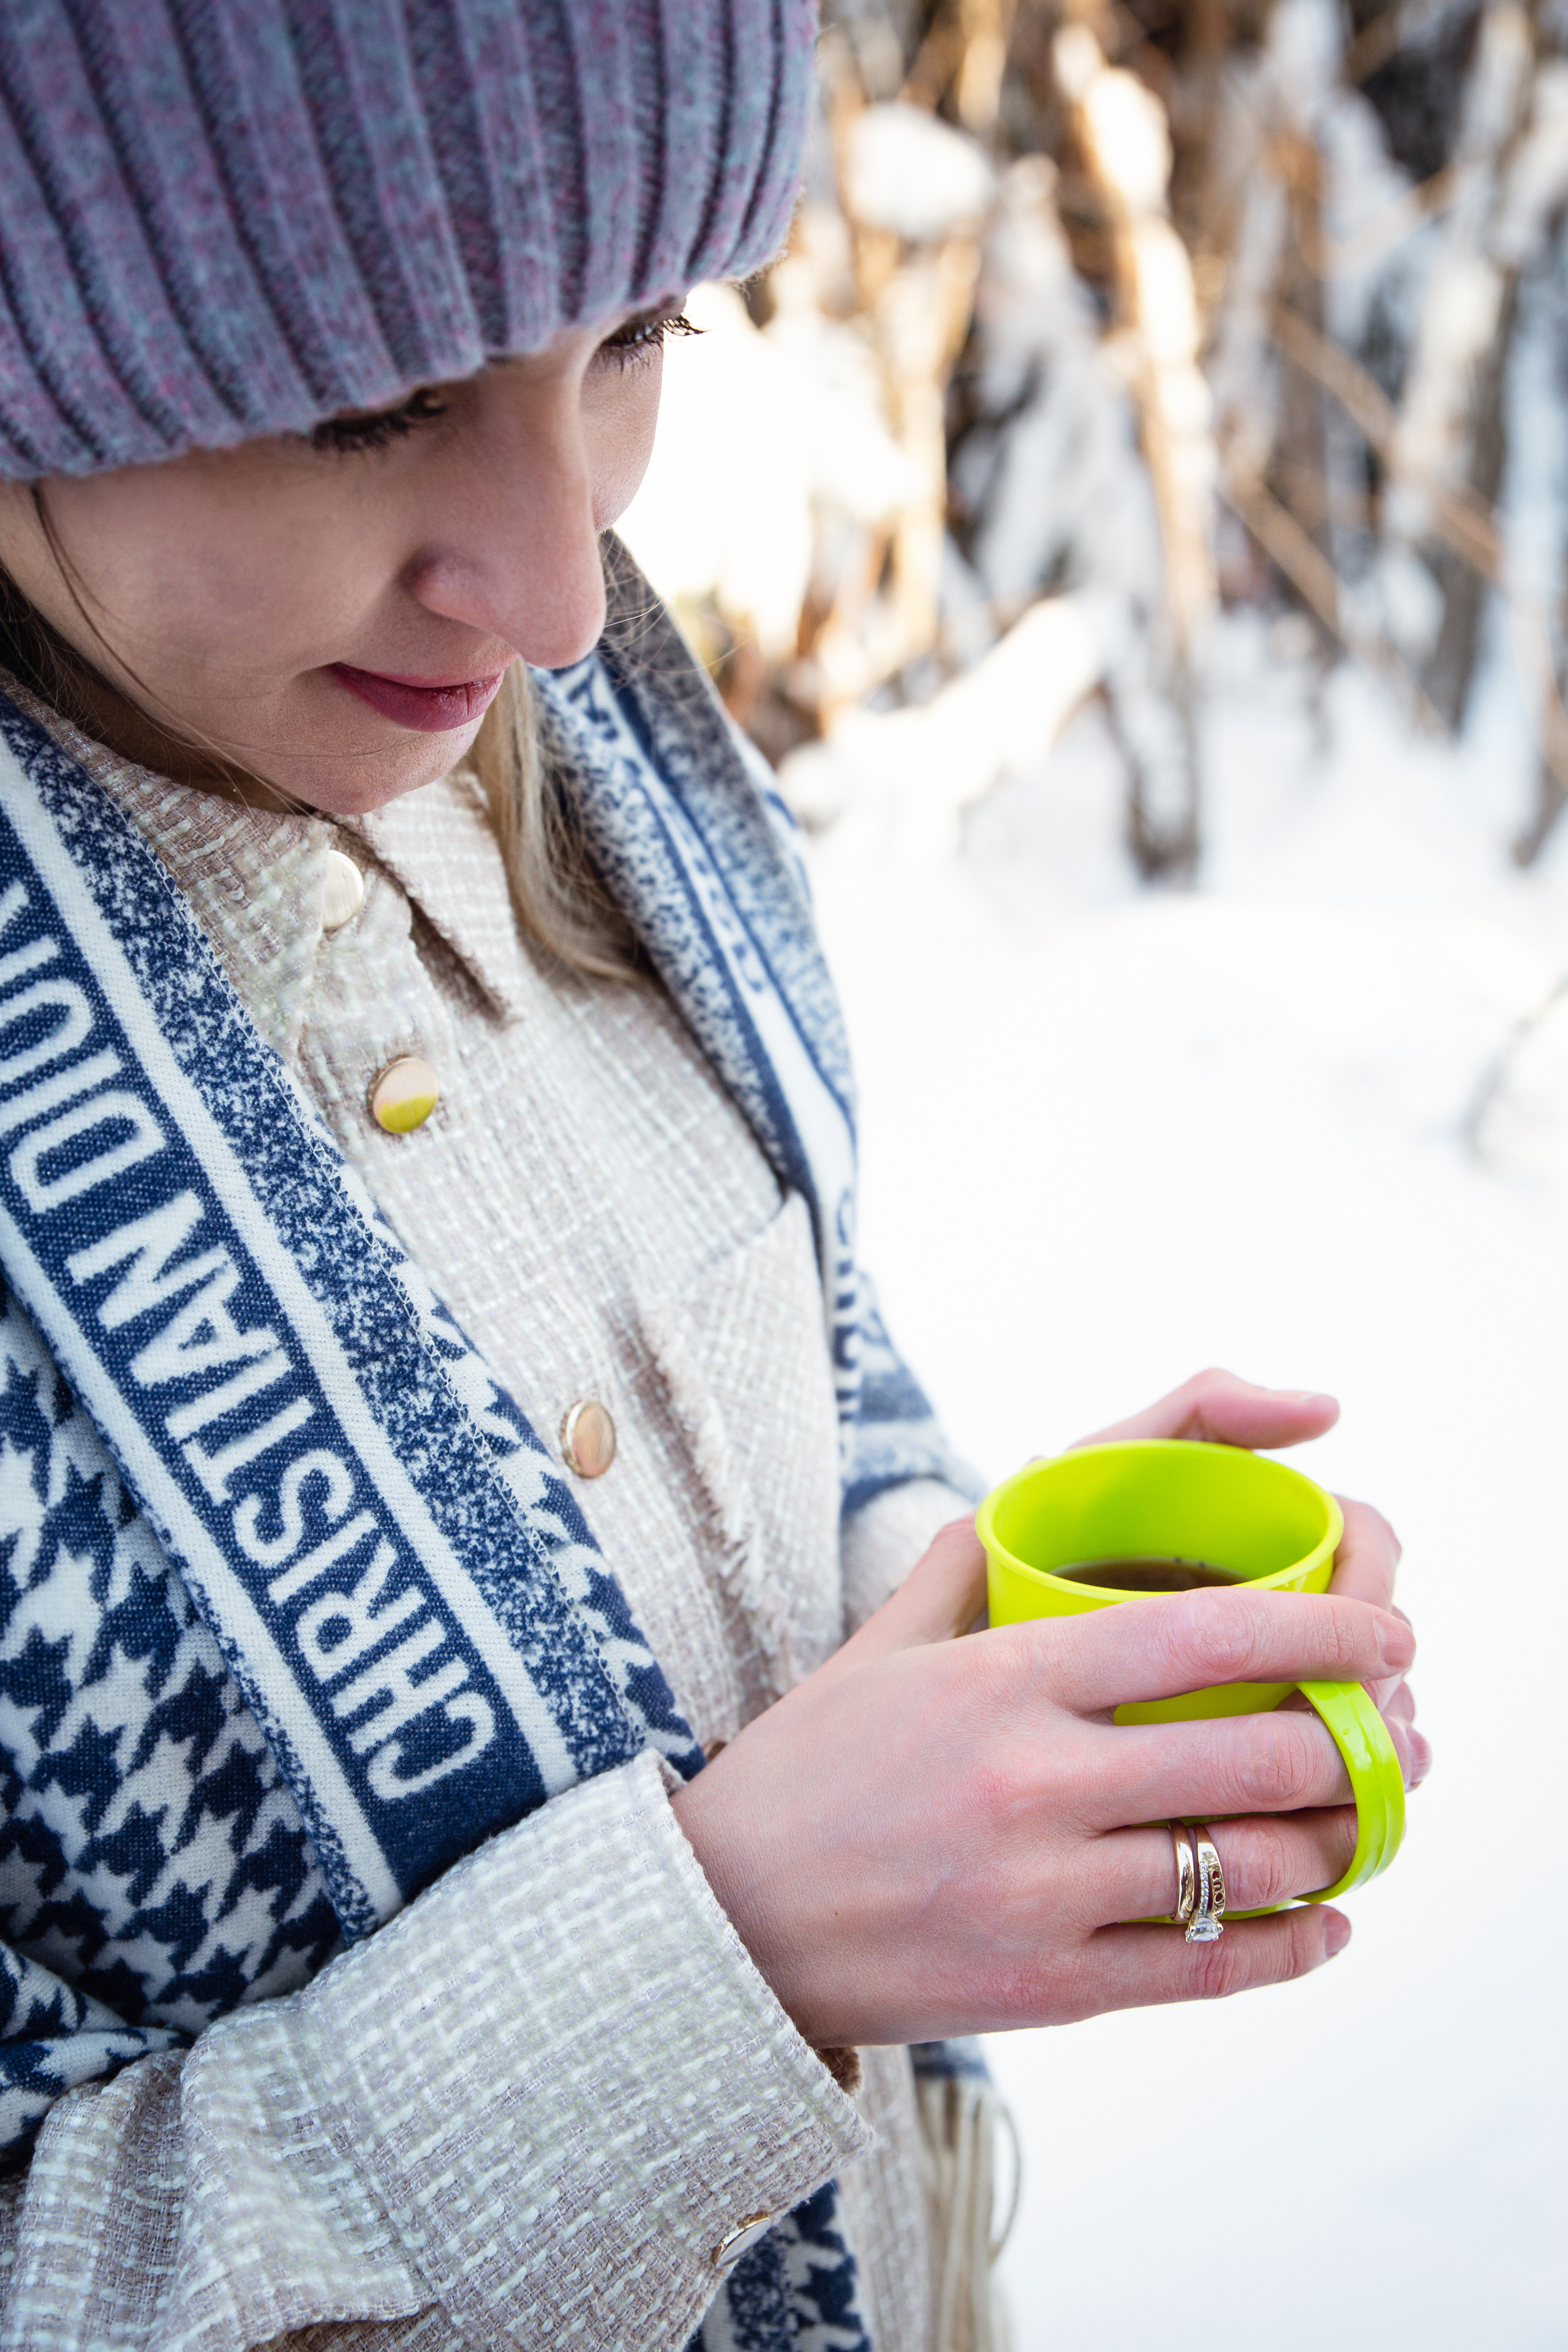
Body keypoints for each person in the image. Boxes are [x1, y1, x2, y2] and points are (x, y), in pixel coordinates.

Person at [0, 6, 1425, 2348]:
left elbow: (800, 1347)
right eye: (373, 400)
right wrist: (720, 1957)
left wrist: (1000, 1640)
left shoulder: (572, 750)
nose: (565, 593)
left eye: (641, 332)